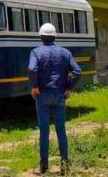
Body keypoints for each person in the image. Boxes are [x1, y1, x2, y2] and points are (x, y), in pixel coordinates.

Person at [27, 23, 81, 175]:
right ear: (55, 36)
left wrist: (34, 86)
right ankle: (65, 166)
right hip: (59, 95)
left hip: (42, 95)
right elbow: (77, 71)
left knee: (44, 131)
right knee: (61, 129)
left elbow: (32, 69)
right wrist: (69, 88)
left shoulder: (36, 52)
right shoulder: (65, 52)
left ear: (41, 36)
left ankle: (43, 167)